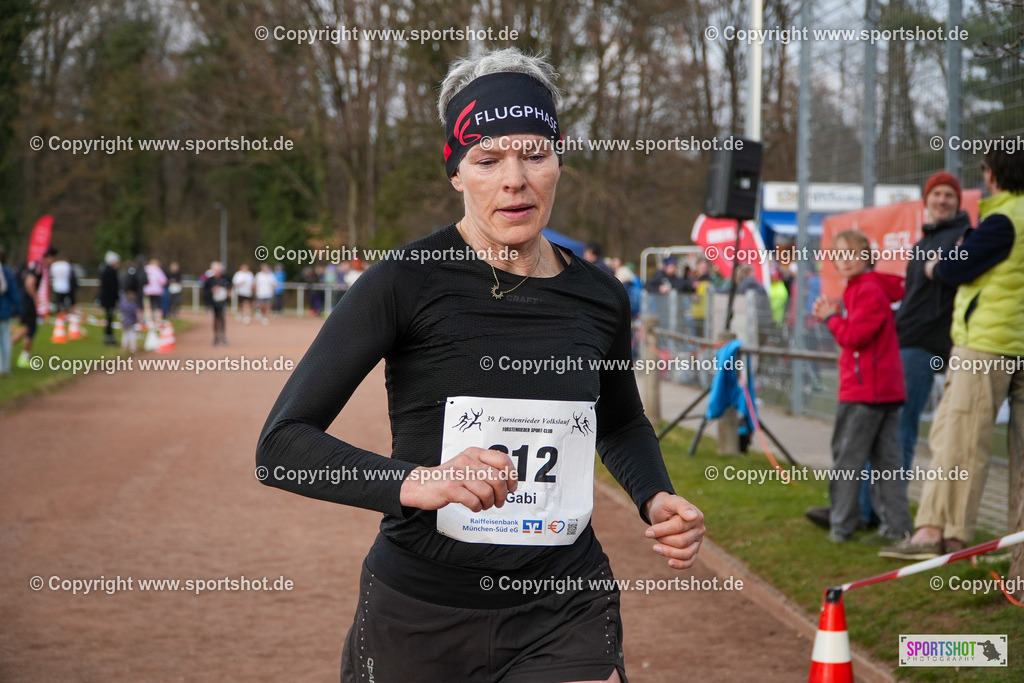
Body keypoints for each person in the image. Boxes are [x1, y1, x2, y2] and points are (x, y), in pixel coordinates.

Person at [256, 48, 704, 683]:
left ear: (558, 161)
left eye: (534, 154)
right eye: (488, 159)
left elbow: (621, 421)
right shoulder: (401, 283)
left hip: (564, 603)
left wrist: (655, 495)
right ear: (456, 173)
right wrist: (418, 482)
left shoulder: (602, 295)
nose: (514, 179)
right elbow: (281, 445)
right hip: (420, 611)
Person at [881, 145, 1024, 560]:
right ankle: (1014, 549)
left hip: (987, 346)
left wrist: (937, 265)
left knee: (959, 441)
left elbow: (953, 268)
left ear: (992, 175)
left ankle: (941, 537)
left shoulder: (1002, 220)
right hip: (1013, 343)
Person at [809, 229, 913, 543]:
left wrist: (831, 318)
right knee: (886, 463)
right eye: (839, 255)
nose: (845, 260)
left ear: (867, 255)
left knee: (847, 460)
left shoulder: (867, 290)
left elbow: (855, 337)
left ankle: (841, 526)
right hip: (881, 392)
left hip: (866, 392)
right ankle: (897, 528)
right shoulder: (867, 287)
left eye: (852, 253)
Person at [12, 260, 43, 369]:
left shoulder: (27, 269)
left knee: (27, 328)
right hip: (28, 303)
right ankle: (23, 358)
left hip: (22, 302)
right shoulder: (38, 268)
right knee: (30, 329)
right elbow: (29, 284)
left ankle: (7, 347)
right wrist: (36, 299)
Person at [0, 247, 22, 377]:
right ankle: (5, 368)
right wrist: (19, 310)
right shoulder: (7, 273)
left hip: (4, 309)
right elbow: (14, 293)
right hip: (5, 310)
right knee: (5, 339)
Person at [203, 261, 231, 345]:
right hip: (213, 302)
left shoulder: (225, 278)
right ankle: (216, 337)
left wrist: (228, 292)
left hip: (222, 302)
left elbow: (229, 287)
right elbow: (205, 292)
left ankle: (223, 336)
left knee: (222, 318)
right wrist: (211, 291)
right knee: (215, 319)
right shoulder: (210, 280)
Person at [99, 251, 121, 346]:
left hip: (108, 299)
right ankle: (109, 338)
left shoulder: (105, 270)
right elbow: (112, 287)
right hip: (109, 299)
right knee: (109, 318)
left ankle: (109, 336)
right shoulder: (110, 272)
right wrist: (116, 297)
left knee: (109, 318)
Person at [48, 247, 74, 312]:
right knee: (66, 301)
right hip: (66, 285)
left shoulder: (54, 265)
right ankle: (65, 311)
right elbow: (69, 275)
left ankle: (60, 311)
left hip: (57, 286)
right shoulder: (67, 265)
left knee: (59, 301)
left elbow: (52, 275)